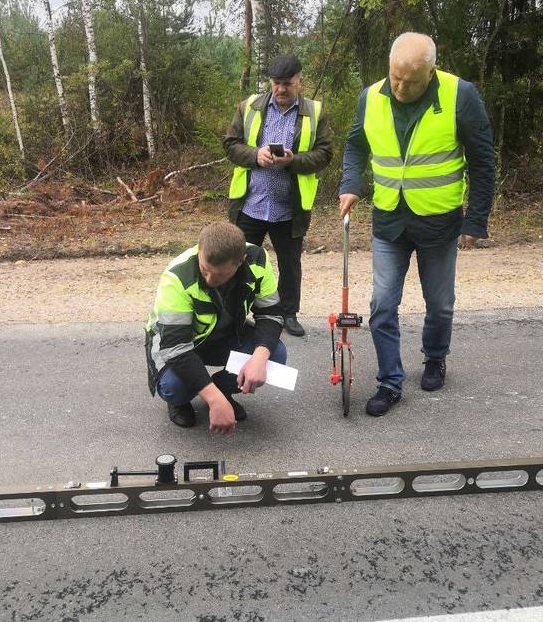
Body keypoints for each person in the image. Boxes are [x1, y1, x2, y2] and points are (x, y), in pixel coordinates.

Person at [339, 32, 495, 416]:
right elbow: (356, 145)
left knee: (440, 305)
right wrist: (351, 184)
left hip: (439, 221)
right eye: (395, 77)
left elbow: (482, 159)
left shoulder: (461, 95)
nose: (400, 87)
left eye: (410, 81)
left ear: (430, 72)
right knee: (382, 306)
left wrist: (475, 218)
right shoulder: (371, 97)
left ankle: (435, 358)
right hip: (389, 219)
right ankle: (390, 382)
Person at [224, 54, 333, 337]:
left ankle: (288, 314)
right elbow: (231, 145)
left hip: (290, 208)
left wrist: (293, 160)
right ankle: (236, 314)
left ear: (300, 82)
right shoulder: (248, 107)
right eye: (276, 83)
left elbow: (324, 155)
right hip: (250, 205)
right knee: (240, 261)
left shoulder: (315, 112)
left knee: (289, 265)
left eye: (287, 83)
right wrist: (254, 155)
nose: (281, 89)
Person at [145, 221, 287, 433]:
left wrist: (258, 359)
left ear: (241, 262)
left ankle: (222, 389)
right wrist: (214, 401)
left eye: (220, 275)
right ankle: (187, 399)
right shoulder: (176, 277)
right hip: (178, 346)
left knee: (274, 355)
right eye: (205, 270)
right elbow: (176, 348)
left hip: (225, 334)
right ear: (200, 250)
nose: (210, 279)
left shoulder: (258, 260)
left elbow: (271, 314)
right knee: (174, 388)